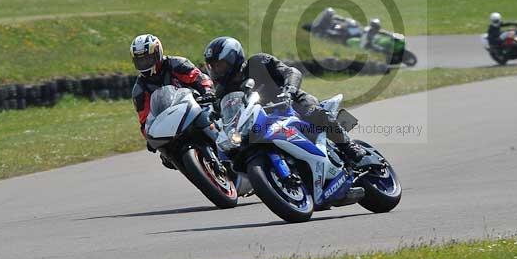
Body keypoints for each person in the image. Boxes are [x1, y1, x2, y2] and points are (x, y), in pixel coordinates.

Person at [203, 36, 371, 165]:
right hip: (262, 123)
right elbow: (224, 113)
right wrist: (213, 114)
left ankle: (347, 146)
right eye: (213, 67)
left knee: (314, 112)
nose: (217, 70)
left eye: (220, 65)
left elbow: (292, 72)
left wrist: (289, 91)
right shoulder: (224, 91)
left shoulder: (259, 62)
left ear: (234, 58)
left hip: (290, 103)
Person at [130, 34, 215, 166]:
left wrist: (207, 91)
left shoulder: (176, 63)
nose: (144, 63)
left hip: (196, 105)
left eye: (148, 58)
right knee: (166, 157)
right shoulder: (139, 90)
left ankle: (226, 147)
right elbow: (144, 120)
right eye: (140, 60)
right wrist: (149, 137)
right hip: (170, 123)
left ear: (158, 53)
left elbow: (198, 78)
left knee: (210, 119)